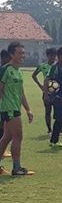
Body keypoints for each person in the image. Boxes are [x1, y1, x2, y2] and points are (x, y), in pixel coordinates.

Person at [0, 43, 35, 175]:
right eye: (19, 53)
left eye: (23, 53)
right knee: (18, 136)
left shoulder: (18, 71)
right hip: (9, 109)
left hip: (15, 108)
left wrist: (28, 109)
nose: (22, 56)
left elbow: (21, 93)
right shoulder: (5, 70)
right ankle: (17, 168)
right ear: (11, 55)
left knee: (6, 137)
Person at [44, 47, 62, 148]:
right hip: (58, 98)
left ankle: (56, 140)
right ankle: (53, 141)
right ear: (59, 56)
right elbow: (47, 80)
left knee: (60, 119)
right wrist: (46, 94)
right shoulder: (55, 67)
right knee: (58, 119)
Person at [32, 47, 57, 137]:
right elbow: (34, 75)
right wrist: (40, 86)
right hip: (47, 92)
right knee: (48, 111)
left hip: (57, 93)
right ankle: (49, 130)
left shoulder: (58, 66)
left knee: (58, 112)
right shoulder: (42, 66)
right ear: (47, 56)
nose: (53, 57)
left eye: (54, 55)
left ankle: (58, 128)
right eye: (51, 55)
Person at [0, 50, 11, 158]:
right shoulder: (2, 70)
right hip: (3, 104)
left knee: (4, 128)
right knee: (2, 128)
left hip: (6, 104)